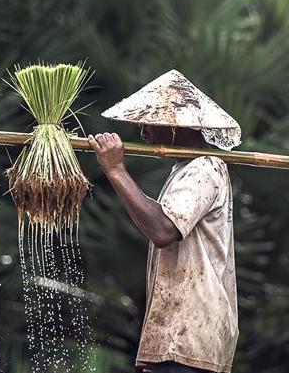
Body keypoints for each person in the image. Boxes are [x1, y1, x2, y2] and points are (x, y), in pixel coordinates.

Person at [88, 70, 242, 373]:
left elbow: (162, 230)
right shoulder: (182, 171)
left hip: (191, 337)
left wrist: (117, 171)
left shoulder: (205, 168)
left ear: (177, 124)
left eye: (150, 121)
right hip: (177, 337)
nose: (144, 133)